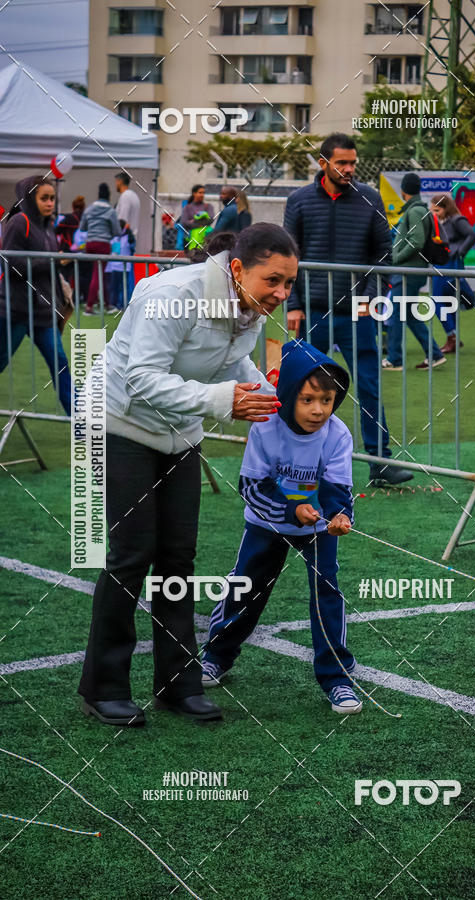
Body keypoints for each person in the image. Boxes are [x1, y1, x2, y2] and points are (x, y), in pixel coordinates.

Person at [77, 223, 298, 727]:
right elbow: (142, 376)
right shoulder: (172, 293)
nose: (282, 294)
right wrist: (224, 401)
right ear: (238, 268)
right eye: (274, 281)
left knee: (179, 555)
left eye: (289, 284)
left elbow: (232, 362)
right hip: (115, 421)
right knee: (132, 553)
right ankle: (103, 687)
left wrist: (271, 395)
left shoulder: (249, 307)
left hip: (178, 431)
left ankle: (178, 685)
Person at [202, 338, 363, 714]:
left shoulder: (338, 434)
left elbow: (339, 489)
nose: (318, 410)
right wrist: (294, 511)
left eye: (327, 400)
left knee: (328, 594)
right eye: (308, 399)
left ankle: (336, 675)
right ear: (289, 394)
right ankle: (217, 654)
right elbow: (253, 486)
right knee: (244, 587)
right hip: (266, 524)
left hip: (317, 529)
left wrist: (339, 517)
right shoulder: (266, 426)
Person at [284, 132, 413, 487]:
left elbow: (383, 253)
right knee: (302, 388)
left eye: (352, 163)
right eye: (341, 163)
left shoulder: (370, 199)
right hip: (311, 313)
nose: (349, 169)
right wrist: (293, 305)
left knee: (368, 385)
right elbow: (288, 258)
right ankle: (295, 462)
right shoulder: (298, 201)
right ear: (323, 163)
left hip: (357, 313)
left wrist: (370, 297)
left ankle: (379, 464)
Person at [0, 175, 72, 414]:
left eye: (52, 198)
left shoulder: (48, 226)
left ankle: (82, 424)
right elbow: (10, 265)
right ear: (31, 198)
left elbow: (45, 268)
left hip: (43, 313)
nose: (50, 203)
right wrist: (52, 262)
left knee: (61, 366)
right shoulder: (19, 222)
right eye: (44, 198)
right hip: (15, 311)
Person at [389, 172, 446, 371]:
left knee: (396, 313)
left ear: (403, 190)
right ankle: (434, 354)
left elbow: (417, 241)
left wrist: (396, 258)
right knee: (410, 315)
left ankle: (394, 359)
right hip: (414, 271)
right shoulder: (420, 209)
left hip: (407, 272)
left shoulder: (414, 211)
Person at [429, 192, 475, 355]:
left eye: (437, 210)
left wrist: (460, 252)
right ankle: (454, 338)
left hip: (449, 265)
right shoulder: (442, 222)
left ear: (446, 208)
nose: (433, 213)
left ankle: (452, 337)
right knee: (448, 303)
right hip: (442, 264)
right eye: (432, 210)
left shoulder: (456, 220)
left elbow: (472, 235)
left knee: (436, 302)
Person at [81, 183, 120, 315]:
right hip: (103, 245)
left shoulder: (89, 209)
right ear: (108, 196)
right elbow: (117, 232)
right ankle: (89, 306)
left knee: (99, 274)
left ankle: (107, 304)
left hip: (90, 244)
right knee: (98, 275)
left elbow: (82, 227)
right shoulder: (111, 211)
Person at [115, 171, 140, 238]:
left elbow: (123, 219)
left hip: (125, 238)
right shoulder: (134, 195)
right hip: (132, 237)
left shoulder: (125, 196)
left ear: (120, 181)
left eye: (116, 182)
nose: (116, 184)